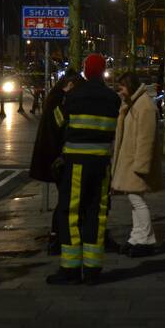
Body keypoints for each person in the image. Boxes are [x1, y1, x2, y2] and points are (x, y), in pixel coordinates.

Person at [47, 53, 122, 285]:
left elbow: (58, 122)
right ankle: (92, 268)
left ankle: (70, 268)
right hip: (101, 165)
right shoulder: (113, 99)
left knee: (69, 213)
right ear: (103, 71)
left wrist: (61, 97)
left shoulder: (74, 96)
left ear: (86, 70)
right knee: (96, 213)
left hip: (77, 163)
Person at [29, 70, 85, 255]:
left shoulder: (55, 99)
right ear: (68, 85)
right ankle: (56, 238)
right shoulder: (59, 103)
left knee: (65, 198)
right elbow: (60, 126)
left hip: (54, 157)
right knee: (65, 200)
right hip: (57, 159)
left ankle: (58, 236)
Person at [110, 71, 162, 257]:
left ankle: (146, 239)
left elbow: (146, 138)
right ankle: (137, 236)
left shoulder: (143, 106)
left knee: (137, 202)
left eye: (122, 87)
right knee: (134, 201)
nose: (120, 91)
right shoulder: (135, 104)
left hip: (135, 163)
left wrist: (141, 165)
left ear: (129, 86)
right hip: (131, 161)